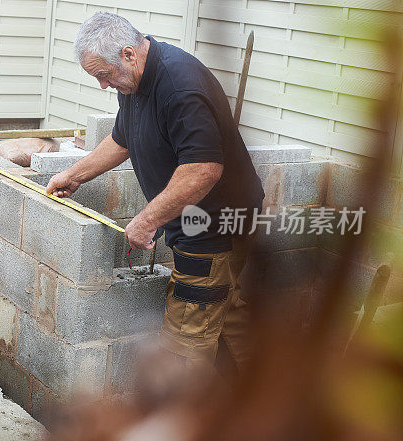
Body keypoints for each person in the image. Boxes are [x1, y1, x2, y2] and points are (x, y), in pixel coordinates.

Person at [46, 12, 265, 368]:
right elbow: (123, 138)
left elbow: (203, 170)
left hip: (209, 230)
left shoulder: (179, 87)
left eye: (104, 75)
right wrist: (75, 175)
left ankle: (188, 419)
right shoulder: (133, 83)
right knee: (227, 316)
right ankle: (261, 401)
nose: (104, 85)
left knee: (185, 342)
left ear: (129, 54)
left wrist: (148, 220)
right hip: (201, 223)